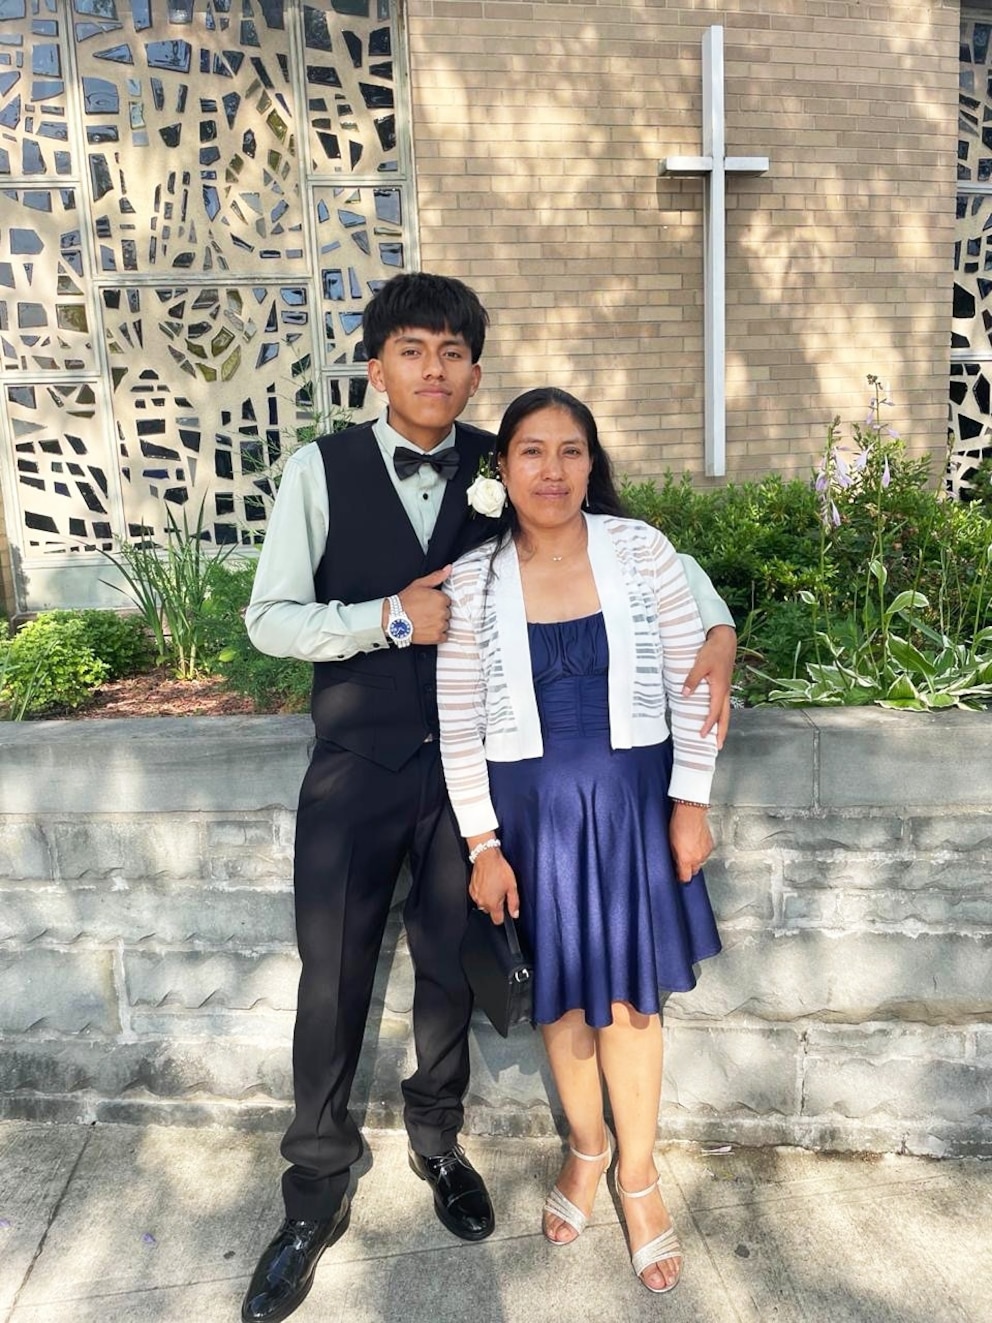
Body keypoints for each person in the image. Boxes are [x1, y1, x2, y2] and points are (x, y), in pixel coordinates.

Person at [241, 275, 735, 1322]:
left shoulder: (505, 462)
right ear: (375, 366)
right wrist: (384, 619)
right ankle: (314, 1192)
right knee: (331, 976)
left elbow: (656, 568)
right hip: (365, 765)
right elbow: (269, 619)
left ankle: (438, 1144)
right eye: (411, 350)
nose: (434, 369)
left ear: (474, 371)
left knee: (452, 974)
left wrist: (721, 631)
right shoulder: (319, 471)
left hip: (483, 786)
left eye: (453, 352)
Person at [437, 386, 727, 1296]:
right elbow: (458, 725)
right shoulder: (472, 579)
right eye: (532, 450)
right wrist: (483, 845)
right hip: (531, 823)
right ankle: (588, 1147)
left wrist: (690, 801)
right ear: (503, 467)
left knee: (633, 1004)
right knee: (561, 1004)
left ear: (592, 462)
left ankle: (638, 1178)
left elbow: (693, 681)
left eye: (571, 450)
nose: (552, 469)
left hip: (635, 808)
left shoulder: (640, 551)